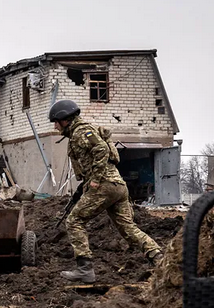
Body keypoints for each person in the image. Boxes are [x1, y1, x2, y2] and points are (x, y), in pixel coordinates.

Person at [49, 100, 164, 283]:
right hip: (118, 186)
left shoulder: (80, 132)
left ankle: (85, 269)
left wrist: (95, 179)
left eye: (56, 121)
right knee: (128, 228)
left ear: (66, 119)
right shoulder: (80, 132)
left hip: (105, 185)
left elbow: (101, 149)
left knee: (74, 221)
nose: (55, 126)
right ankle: (158, 259)